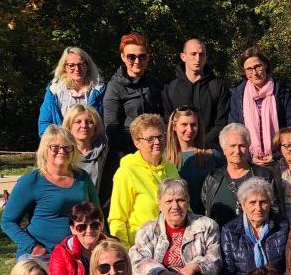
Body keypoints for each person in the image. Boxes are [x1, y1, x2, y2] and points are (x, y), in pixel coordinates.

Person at [0, 125, 99, 261]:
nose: (61, 151)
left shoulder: (83, 177)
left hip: (78, 253)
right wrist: (33, 247)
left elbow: (97, 213)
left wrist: (99, 241)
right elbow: (7, 221)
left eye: (67, 147)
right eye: (55, 147)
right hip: (43, 255)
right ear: (45, 150)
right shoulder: (31, 181)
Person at [220, 178, 291, 275]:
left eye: (263, 202)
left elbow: (290, 268)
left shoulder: (283, 226)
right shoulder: (229, 231)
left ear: (270, 204)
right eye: (252, 202)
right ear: (242, 205)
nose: (258, 208)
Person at [108, 114, 180, 246]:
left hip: (172, 245)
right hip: (140, 247)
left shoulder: (171, 169)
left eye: (160, 137)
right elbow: (117, 219)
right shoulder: (127, 172)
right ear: (137, 142)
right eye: (150, 139)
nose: (157, 142)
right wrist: (125, 251)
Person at [201, 123, 280, 230]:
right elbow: (206, 210)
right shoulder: (213, 178)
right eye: (232, 146)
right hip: (219, 238)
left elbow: (275, 211)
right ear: (223, 149)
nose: (237, 151)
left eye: (242, 146)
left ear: (248, 147)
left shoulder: (264, 176)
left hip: (256, 238)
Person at [228, 47, 291, 166]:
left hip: (279, 160)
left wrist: (277, 155)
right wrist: (248, 157)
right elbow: (234, 130)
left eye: (258, 66)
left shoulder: (281, 92)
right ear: (244, 72)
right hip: (248, 161)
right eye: (249, 69)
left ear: (265, 65)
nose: (255, 73)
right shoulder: (237, 95)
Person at [103, 32, 164, 159]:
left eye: (142, 56)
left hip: (155, 151)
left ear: (147, 58)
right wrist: (124, 157)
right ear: (123, 57)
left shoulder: (155, 85)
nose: (137, 61)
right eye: (131, 57)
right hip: (128, 154)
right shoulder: (115, 87)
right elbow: (111, 127)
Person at [161, 38, 229, 146]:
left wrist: (202, 144)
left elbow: (221, 123)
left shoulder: (217, 86)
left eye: (202, 54)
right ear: (183, 57)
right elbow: (168, 123)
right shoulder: (170, 88)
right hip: (179, 149)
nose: (198, 59)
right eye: (193, 54)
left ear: (206, 58)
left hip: (210, 148)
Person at [49, 201, 106, 275]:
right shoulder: (62, 252)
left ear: (101, 226)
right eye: (81, 227)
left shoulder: (112, 246)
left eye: (94, 225)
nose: (89, 231)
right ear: (72, 229)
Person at [37, 47, 105, 138]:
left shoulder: (100, 91)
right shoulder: (54, 92)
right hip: (62, 144)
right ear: (64, 67)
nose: (77, 69)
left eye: (81, 64)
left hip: (93, 144)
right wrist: (60, 142)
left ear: (88, 66)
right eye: (71, 65)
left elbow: (107, 122)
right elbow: (45, 124)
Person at [165, 106, 219, 216]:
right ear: (174, 126)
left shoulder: (212, 154)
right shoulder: (164, 157)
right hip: (176, 217)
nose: (189, 130)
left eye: (193, 125)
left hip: (207, 217)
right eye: (184, 124)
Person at [62, 104, 111, 209]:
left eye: (89, 122)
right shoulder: (62, 154)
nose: (84, 126)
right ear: (69, 126)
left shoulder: (108, 155)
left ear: (96, 127)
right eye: (78, 122)